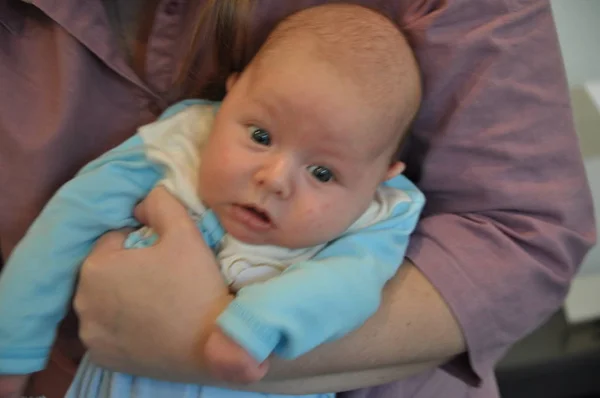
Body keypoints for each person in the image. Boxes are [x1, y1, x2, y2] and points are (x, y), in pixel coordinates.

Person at [0, 1, 594, 398]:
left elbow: (349, 282)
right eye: (258, 137)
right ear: (227, 99)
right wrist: (13, 348)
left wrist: (235, 334)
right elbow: (66, 224)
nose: (275, 178)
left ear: (382, 175)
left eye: (323, 172)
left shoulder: (377, 213)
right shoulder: (180, 141)